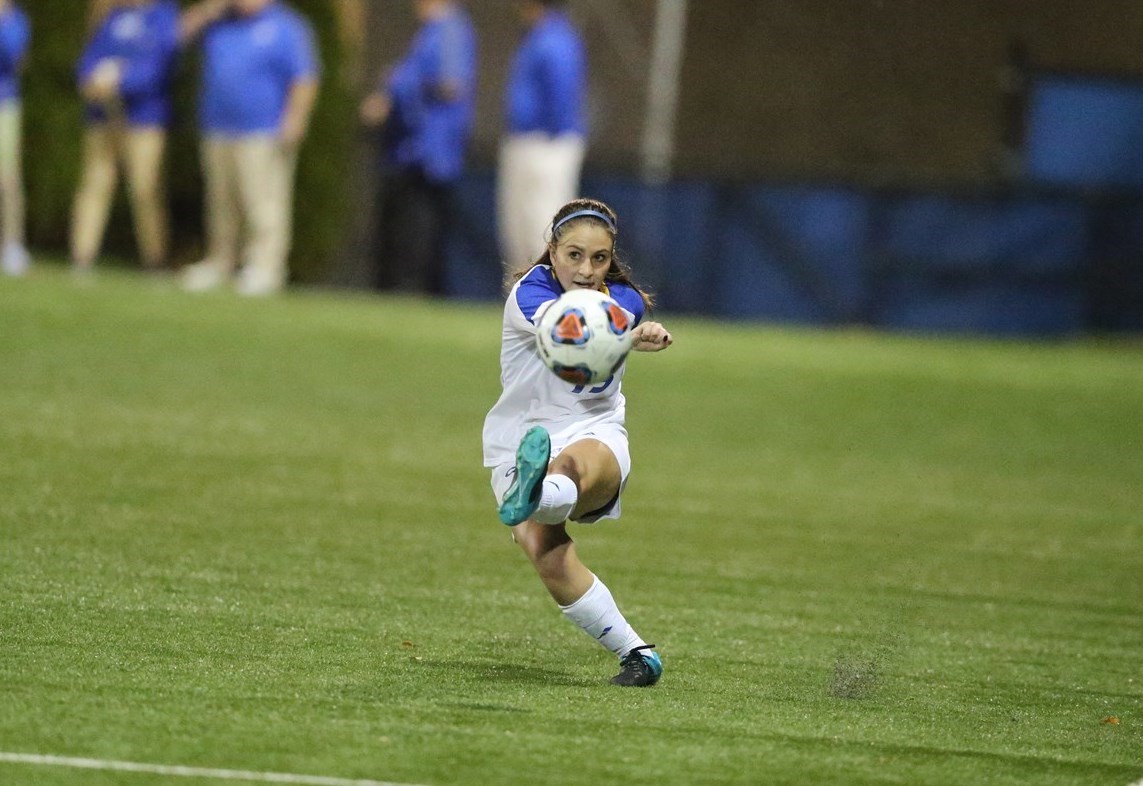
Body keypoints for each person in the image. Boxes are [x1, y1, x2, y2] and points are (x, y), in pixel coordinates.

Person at [482, 198, 674, 687]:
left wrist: (637, 332)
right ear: (552, 251)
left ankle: (538, 490)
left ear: (611, 259)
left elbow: (607, 321)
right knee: (545, 550)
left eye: (599, 258)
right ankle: (638, 654)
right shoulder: (530, 294)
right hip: (521, 438)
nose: (586, 270)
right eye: (574, 255)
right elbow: (574, 329)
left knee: (568, 466)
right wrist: (627, 337)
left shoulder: (624, 300)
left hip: (594, 428)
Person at [180, 0, 320, 296]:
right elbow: (178, 35)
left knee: (262, 201)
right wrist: (209, 9)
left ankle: (266, 267)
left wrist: (295, 118)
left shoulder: (286, 26)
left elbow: (304, 77)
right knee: (220, 201)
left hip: (263, 129)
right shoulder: (221, 23)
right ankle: (220, 261)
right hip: (218, 125)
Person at [359, 0, 476, 295]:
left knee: (419, 231)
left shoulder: (449, 29)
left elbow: (451, 83)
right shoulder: (432, 31)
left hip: (428, 152)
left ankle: (414, 291)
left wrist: (399, 88)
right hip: (411, 149)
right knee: (403, 229)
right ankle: (402, 289)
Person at [72, 0, 180, 275]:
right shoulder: (113, 16)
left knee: (145, 189)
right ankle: (82, 257)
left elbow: (159, 65)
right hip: (103, 117)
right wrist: (90, 80)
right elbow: (91, 54)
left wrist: (121, 81)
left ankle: (155, 260)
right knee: (95, 184)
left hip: (144, 120)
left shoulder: (163, 17)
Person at [497, 0, 587, 273]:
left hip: (546, 143)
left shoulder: (555, 38)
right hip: (528, 140)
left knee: (543, 224)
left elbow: (562, 98)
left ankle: (550, 294)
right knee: (518, 230)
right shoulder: (537, 35)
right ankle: (522, 295)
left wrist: (550, 136)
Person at [0, 0, 30, 277]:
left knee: (7, 177)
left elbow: (13, 57)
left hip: (4, 104)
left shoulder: (15, 21)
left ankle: (12, 245)